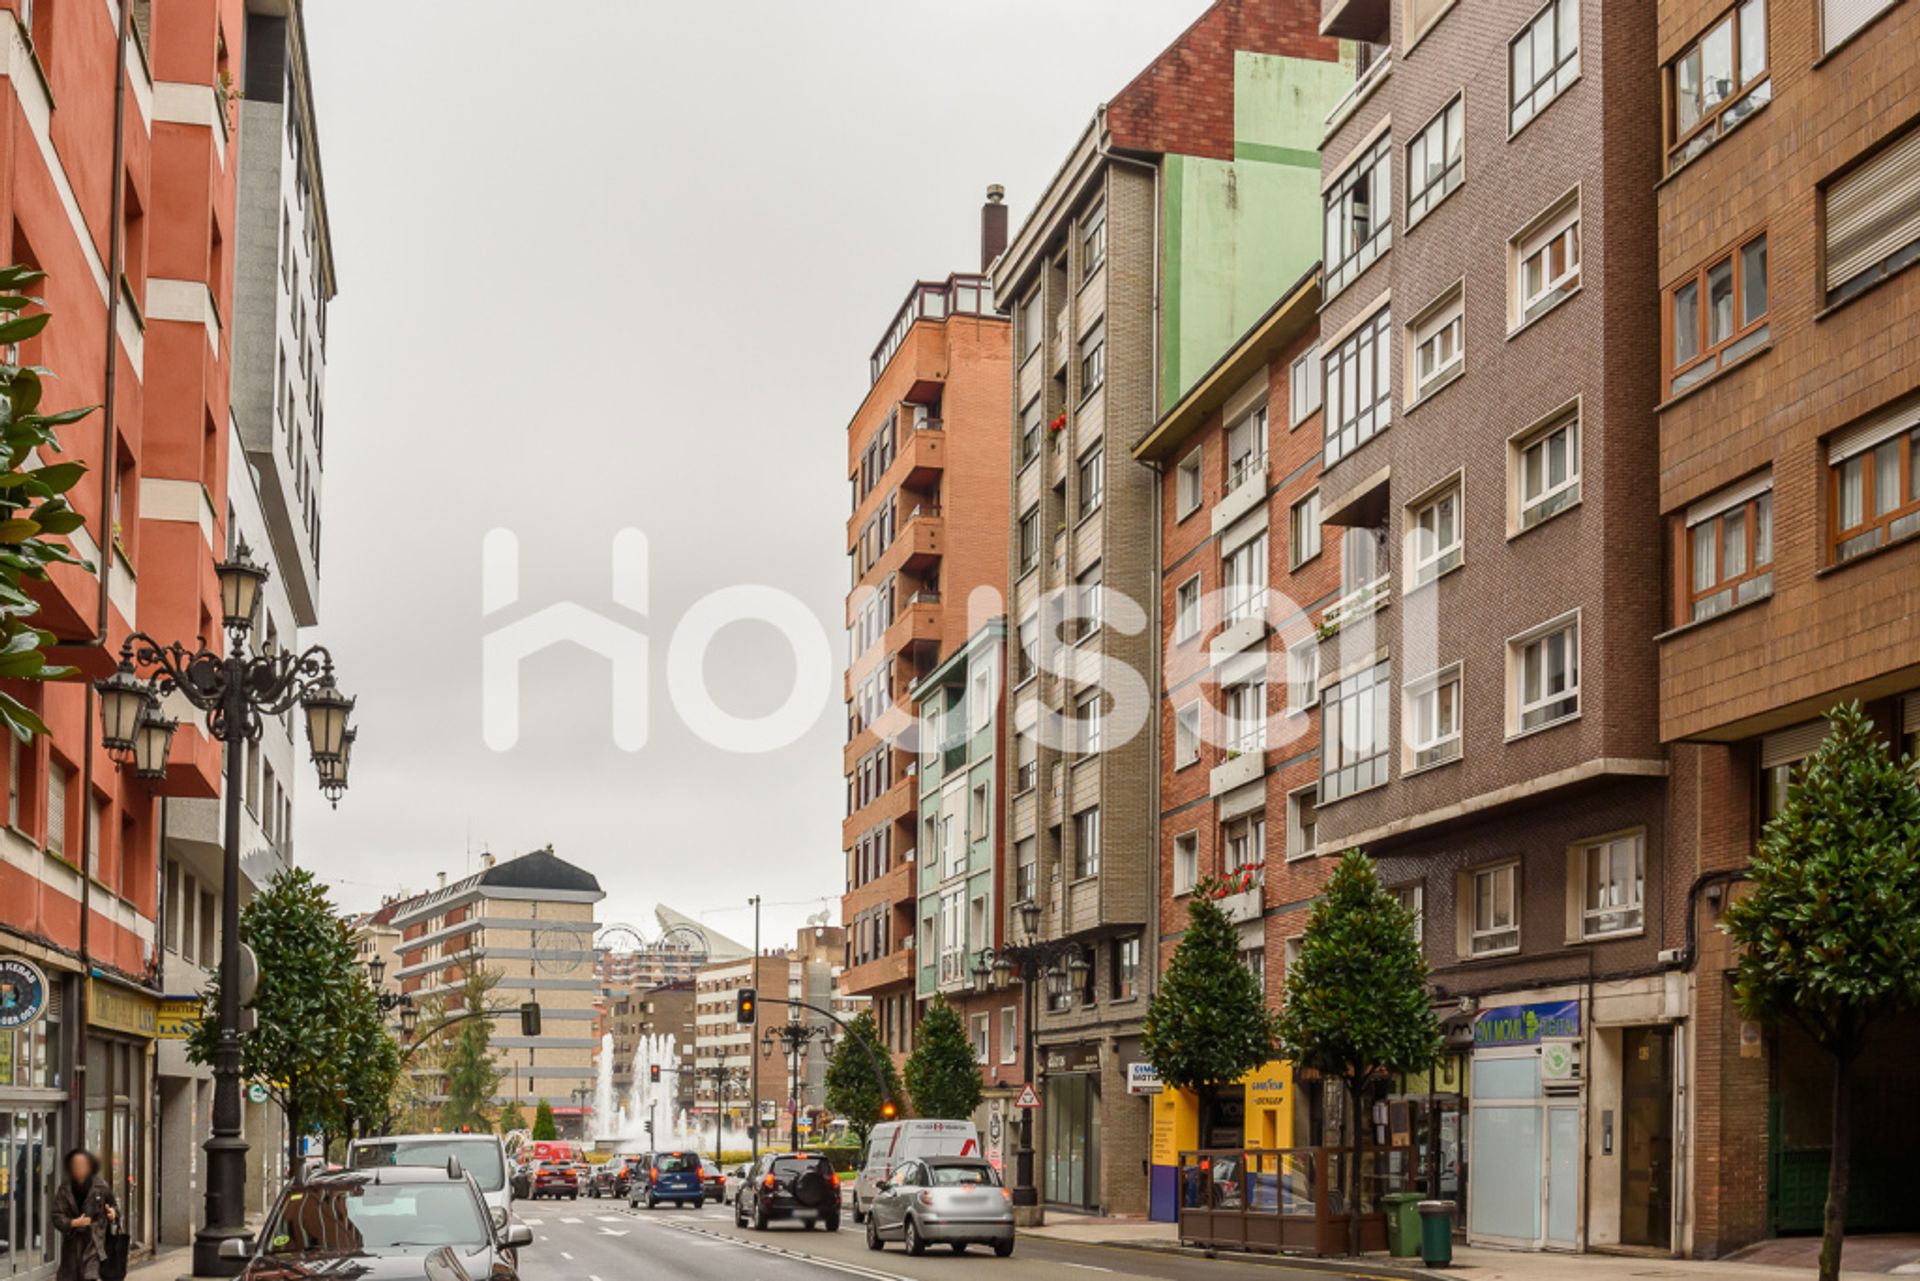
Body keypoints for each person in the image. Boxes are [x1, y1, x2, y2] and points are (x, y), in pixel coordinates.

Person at [51, 1149, 117, 1281]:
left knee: (91, 1276)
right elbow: (56, 1215)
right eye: (76, 1165)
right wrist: (73, 1223)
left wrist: (113, 1214)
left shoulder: (101, 1187)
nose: (79, 1168)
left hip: (94, 1245)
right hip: (71, 1248)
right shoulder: (64, 1190)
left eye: (83, 1164)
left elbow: (114, 1207)